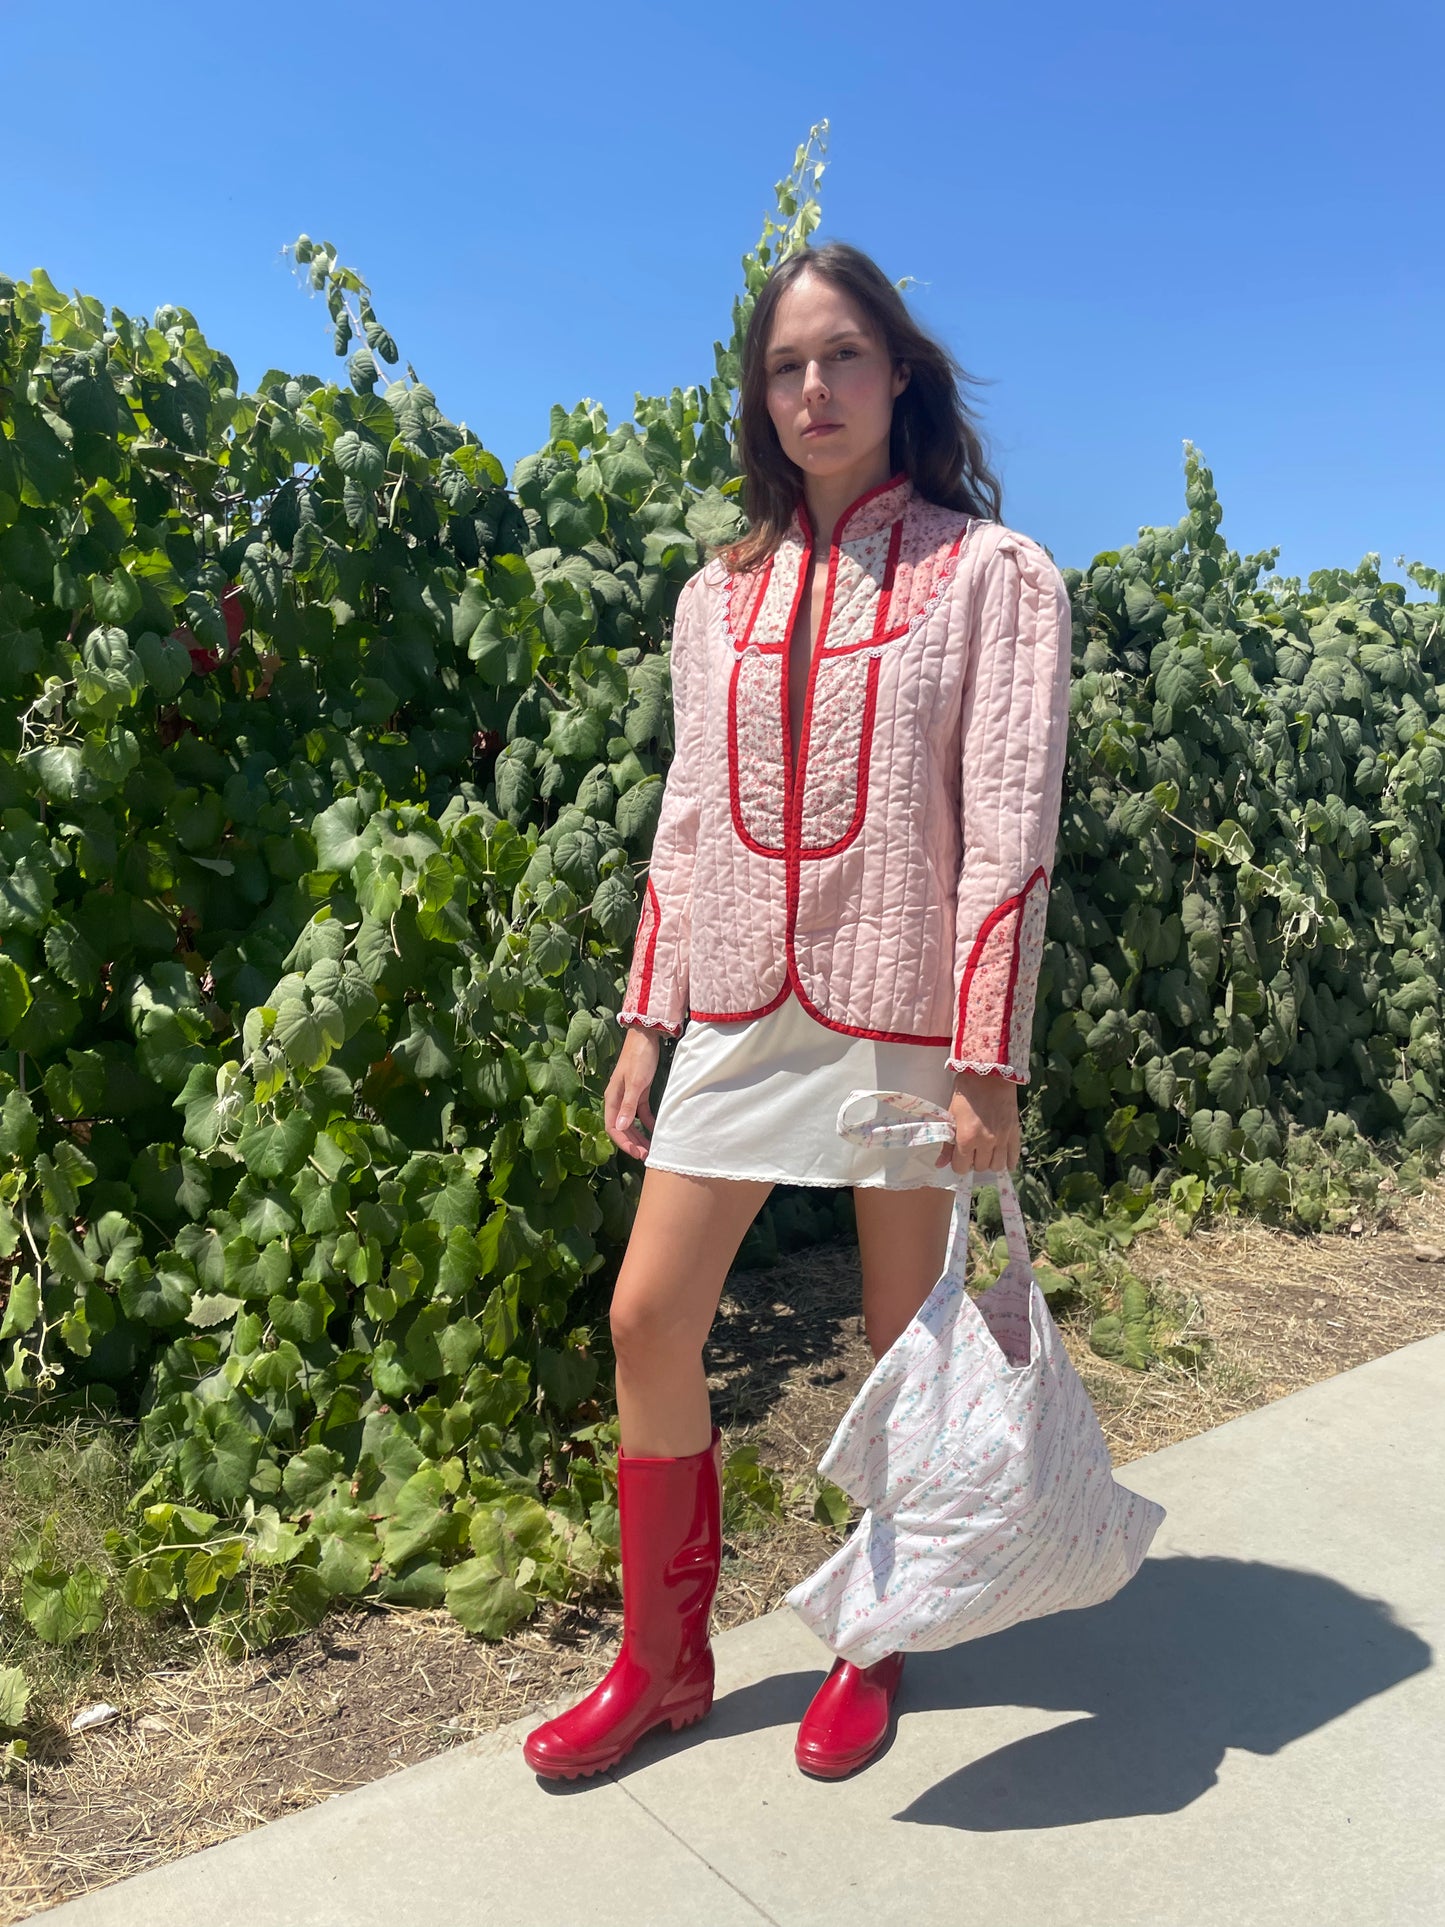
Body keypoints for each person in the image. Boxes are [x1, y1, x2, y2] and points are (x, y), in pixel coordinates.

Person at [523, 240, 1074, 1782]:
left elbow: (1008, 825)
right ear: (757, 398)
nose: (812, 389)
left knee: (897, 1337)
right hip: (737, 1006)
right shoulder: (718, 594)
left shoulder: (991, 576)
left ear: (899, 374)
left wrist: (985, 1056)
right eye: (784, 366)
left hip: (904, 1005)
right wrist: (649, 1018)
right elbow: (687, 815)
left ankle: (871, 1637)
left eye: (840, 357)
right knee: (647, 1315)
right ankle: (661, 1664)